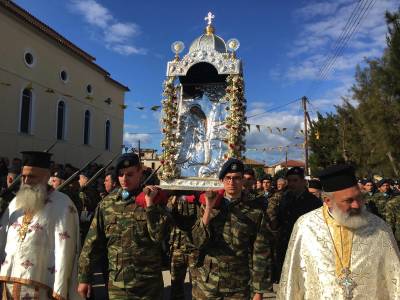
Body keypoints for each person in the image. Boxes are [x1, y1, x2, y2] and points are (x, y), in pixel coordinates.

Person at [277, 164, 400, 299]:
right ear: (328, 201)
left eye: (359, 197)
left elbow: (395, 281)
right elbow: (292, 281)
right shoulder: (306, 226)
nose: (357, 205)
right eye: (349, 200)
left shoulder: (379, 228)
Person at [78, 153, 168, 300]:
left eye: (130, 174)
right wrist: (84, 277)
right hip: (119, 285)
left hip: (148, 285)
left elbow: (159, 236)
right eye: (120, 175)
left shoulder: (154, 199)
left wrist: (150, 206)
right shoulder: (107, 204)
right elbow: (92, 243)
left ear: (140, 172)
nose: (124, 179)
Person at [0, 151, 81, 299]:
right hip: (8, 281)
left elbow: (65, 250)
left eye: (31, 176)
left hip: (41, 285)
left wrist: (60, 288)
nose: (26, 180)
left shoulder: (63, 205)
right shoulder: (15, 202)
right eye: (23, 176)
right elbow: (2, 238)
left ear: (46, 177)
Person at [191, 158, 273, 299]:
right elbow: (198, 241)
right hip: (208, 283)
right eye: (228, 178)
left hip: (238, 285)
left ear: (242, 181)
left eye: (236, 178)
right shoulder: (209, 206)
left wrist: (259, 291)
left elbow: (261, 252)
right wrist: (209, 207)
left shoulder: (255, 211)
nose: (232, 183)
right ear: (222, 180)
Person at [276, 167, 322, 279]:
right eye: (289, 180)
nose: (291, 184)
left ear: (303, 182)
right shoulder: (284, 198)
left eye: (295, 180)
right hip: (286, 245)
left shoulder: (313, 202)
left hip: (305, 247)